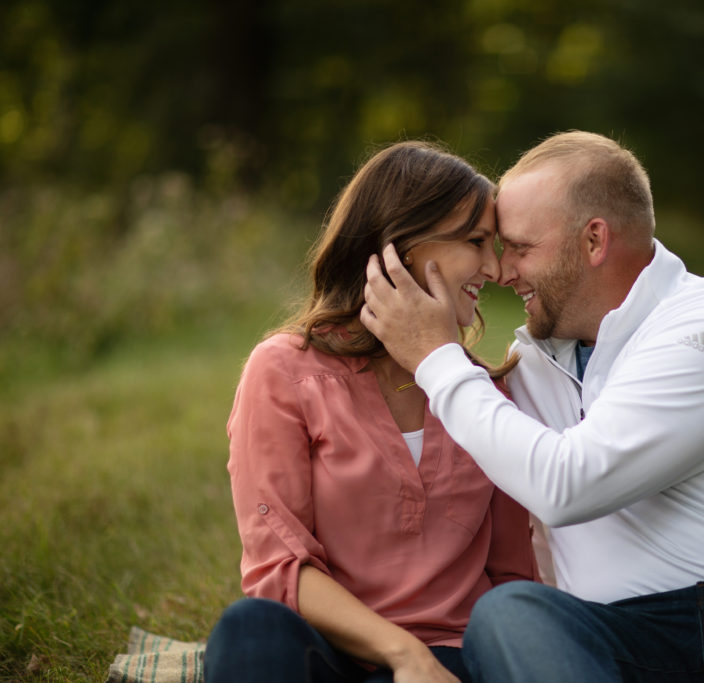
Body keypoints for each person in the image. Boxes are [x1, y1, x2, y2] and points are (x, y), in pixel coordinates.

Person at [360, 131, 704, 682]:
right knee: (511, 614)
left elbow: (567, 485)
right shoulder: (524, 370)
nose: (504, 272)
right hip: (623, 648)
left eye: (522, 248)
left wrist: (437, 358)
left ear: (594, 241)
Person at [204, 141, 539, 683]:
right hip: (332, 651)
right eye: (476, 242)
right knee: (250, 627)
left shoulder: (484, 395)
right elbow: (279, 568)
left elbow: (510, 578)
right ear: (401, 246)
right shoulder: (284, 372)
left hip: (457, 661)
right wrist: (405, 656)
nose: (496, 268)